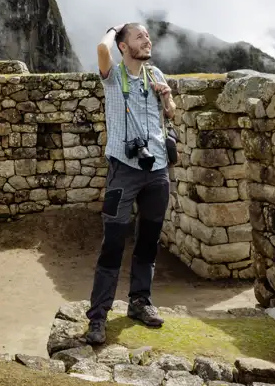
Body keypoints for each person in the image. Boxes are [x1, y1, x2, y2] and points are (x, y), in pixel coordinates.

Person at [84, 22, 176, 345]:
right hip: (123, 170)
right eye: (140, 37)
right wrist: (113, 29)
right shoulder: (113, 77)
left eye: (147, 36)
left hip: (158, 169)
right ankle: (98, 318)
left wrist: (168, 100)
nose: (147, 40)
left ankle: (140, 302)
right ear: (124, 47)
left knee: (148, 241)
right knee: (112, 245)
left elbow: (171, 114)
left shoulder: (156, 76)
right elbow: (100, 50)